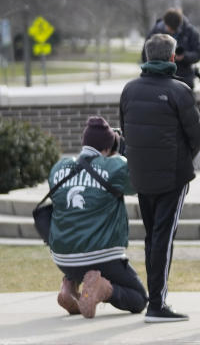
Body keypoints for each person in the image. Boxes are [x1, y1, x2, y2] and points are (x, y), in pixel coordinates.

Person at [120, 33, 200, 322]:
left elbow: (126, 130)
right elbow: (196, 135)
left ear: (146, 57)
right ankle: (157, 304)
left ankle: (155, 298)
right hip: (171, 176)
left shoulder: (129, 90)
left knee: (153, 236)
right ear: (172, 58)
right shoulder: (179, 90)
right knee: (163, 238)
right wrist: (182, 160)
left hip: (142, 175)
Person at [47, 116, 147, 319]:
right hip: (103, 256)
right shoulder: (115, 167)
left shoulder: (58, 168)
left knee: (77, 243)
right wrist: (126, 152)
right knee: (139, 298)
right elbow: (138, 183)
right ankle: (102, 288)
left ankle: (70, 288)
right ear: (109, 146)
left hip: (62, 257)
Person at [142, 8, 200, 89]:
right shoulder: (155, 31)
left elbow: (198, 53)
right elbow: (145, 55)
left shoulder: (190, 32)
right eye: (170, 28)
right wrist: (161, 60)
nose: (172, 31)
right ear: (165, 23)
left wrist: (184, 56)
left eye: (175, 29)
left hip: (184, 77)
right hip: (159, 77)